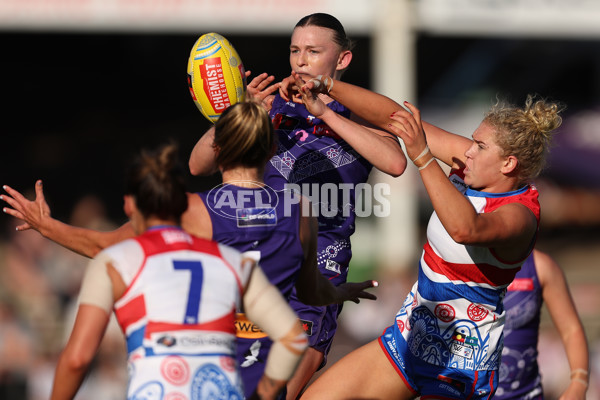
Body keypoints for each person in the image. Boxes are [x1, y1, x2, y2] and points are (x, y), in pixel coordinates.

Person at [1, 101, 378, 398]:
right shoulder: (301, 210)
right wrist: (342, 290)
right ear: (270, 152)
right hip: (265, 372)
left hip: (203, 367)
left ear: (218, 150)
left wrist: (47, 226)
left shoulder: (193, 210)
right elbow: (310, 290)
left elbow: (105, 245)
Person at [291, 75, 564, 399]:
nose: (469, 151)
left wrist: (423, 157)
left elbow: (466, 229)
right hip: (410, 337)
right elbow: (396, 119)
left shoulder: (521, 214)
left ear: (508, 163)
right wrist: (325, 89)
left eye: (480, 146)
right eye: (472, 141)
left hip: (461, 359)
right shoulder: (471, 166)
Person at [189, 13, 407, 398]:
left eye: (312, 51)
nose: (300, 61)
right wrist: (240, 113)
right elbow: (198, 165)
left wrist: (325, 111)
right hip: (262, 271)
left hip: (318, 276)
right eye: (294, 51)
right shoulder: (271, 108)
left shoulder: (356, 111)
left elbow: (395, 162)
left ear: (342, 60)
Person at [48, 143, 308, 400]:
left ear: (128, 205)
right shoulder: (230, 261)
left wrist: (45, 226)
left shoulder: (116, 263)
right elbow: (293, 338)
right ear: (183, 202)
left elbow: (77, 359)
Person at [496, 249, 589, 400]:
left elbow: (571, 329)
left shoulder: (540, 265)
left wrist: (579, 383)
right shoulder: (454, 262)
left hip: (526, 395)